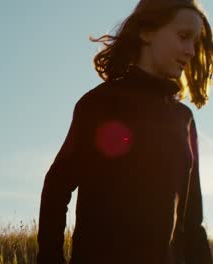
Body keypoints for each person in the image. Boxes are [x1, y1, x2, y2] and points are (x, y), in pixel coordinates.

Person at [37, 0, 213, 263]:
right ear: (146, 32)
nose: (190, 50)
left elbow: (192, 221)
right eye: (183, 36)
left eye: (195, 41)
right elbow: (56, 188)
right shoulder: (99, 104)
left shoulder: (184, 119)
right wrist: (50, 258)